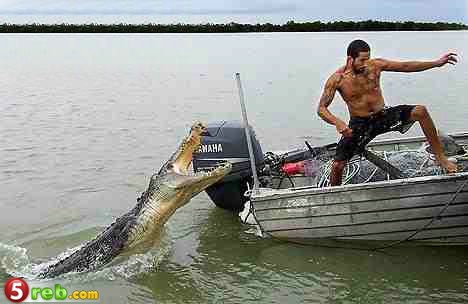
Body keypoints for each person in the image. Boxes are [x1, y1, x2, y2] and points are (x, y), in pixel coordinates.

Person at [317, 39, 458, 186]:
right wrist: (337, 122)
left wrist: (436, 63)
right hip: (360, 124)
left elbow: (406, 66)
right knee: (337, 165)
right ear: (350, 59)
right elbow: (321, 109)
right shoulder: (337, 79)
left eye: (368, 59)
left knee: (420, 111)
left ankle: (441, 158)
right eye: (362, 60)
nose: (366, 63)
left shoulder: (375, 66)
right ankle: (335, 194)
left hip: (383, 116)